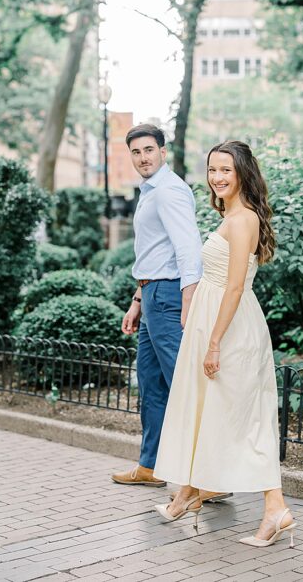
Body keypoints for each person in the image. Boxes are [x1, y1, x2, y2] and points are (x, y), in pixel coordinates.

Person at [151, 140, 296, 548]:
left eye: (225, 170)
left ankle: (273, 507)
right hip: (215, 323)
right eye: (212, 169)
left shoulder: (243, 219)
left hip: (230, 330)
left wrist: (214, 341)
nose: (217, 177)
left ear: (242, 174)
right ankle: (190, 493)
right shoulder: (231, 215)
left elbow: (234, 287)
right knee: (211, 411)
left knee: (245, 420)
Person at [111, 124, 204, 489]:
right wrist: (137, 300)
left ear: (163, 151)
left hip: (168, 298)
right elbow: (154, 253)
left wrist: (188, 300)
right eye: (136, 152)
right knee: (151, 385)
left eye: (149, 150)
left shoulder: (169, 192)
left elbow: (188, 250)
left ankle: (205, 476)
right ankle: (151, 465)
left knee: (183, 384)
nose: (143, 158)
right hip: (150, 295)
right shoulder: (150, 192)